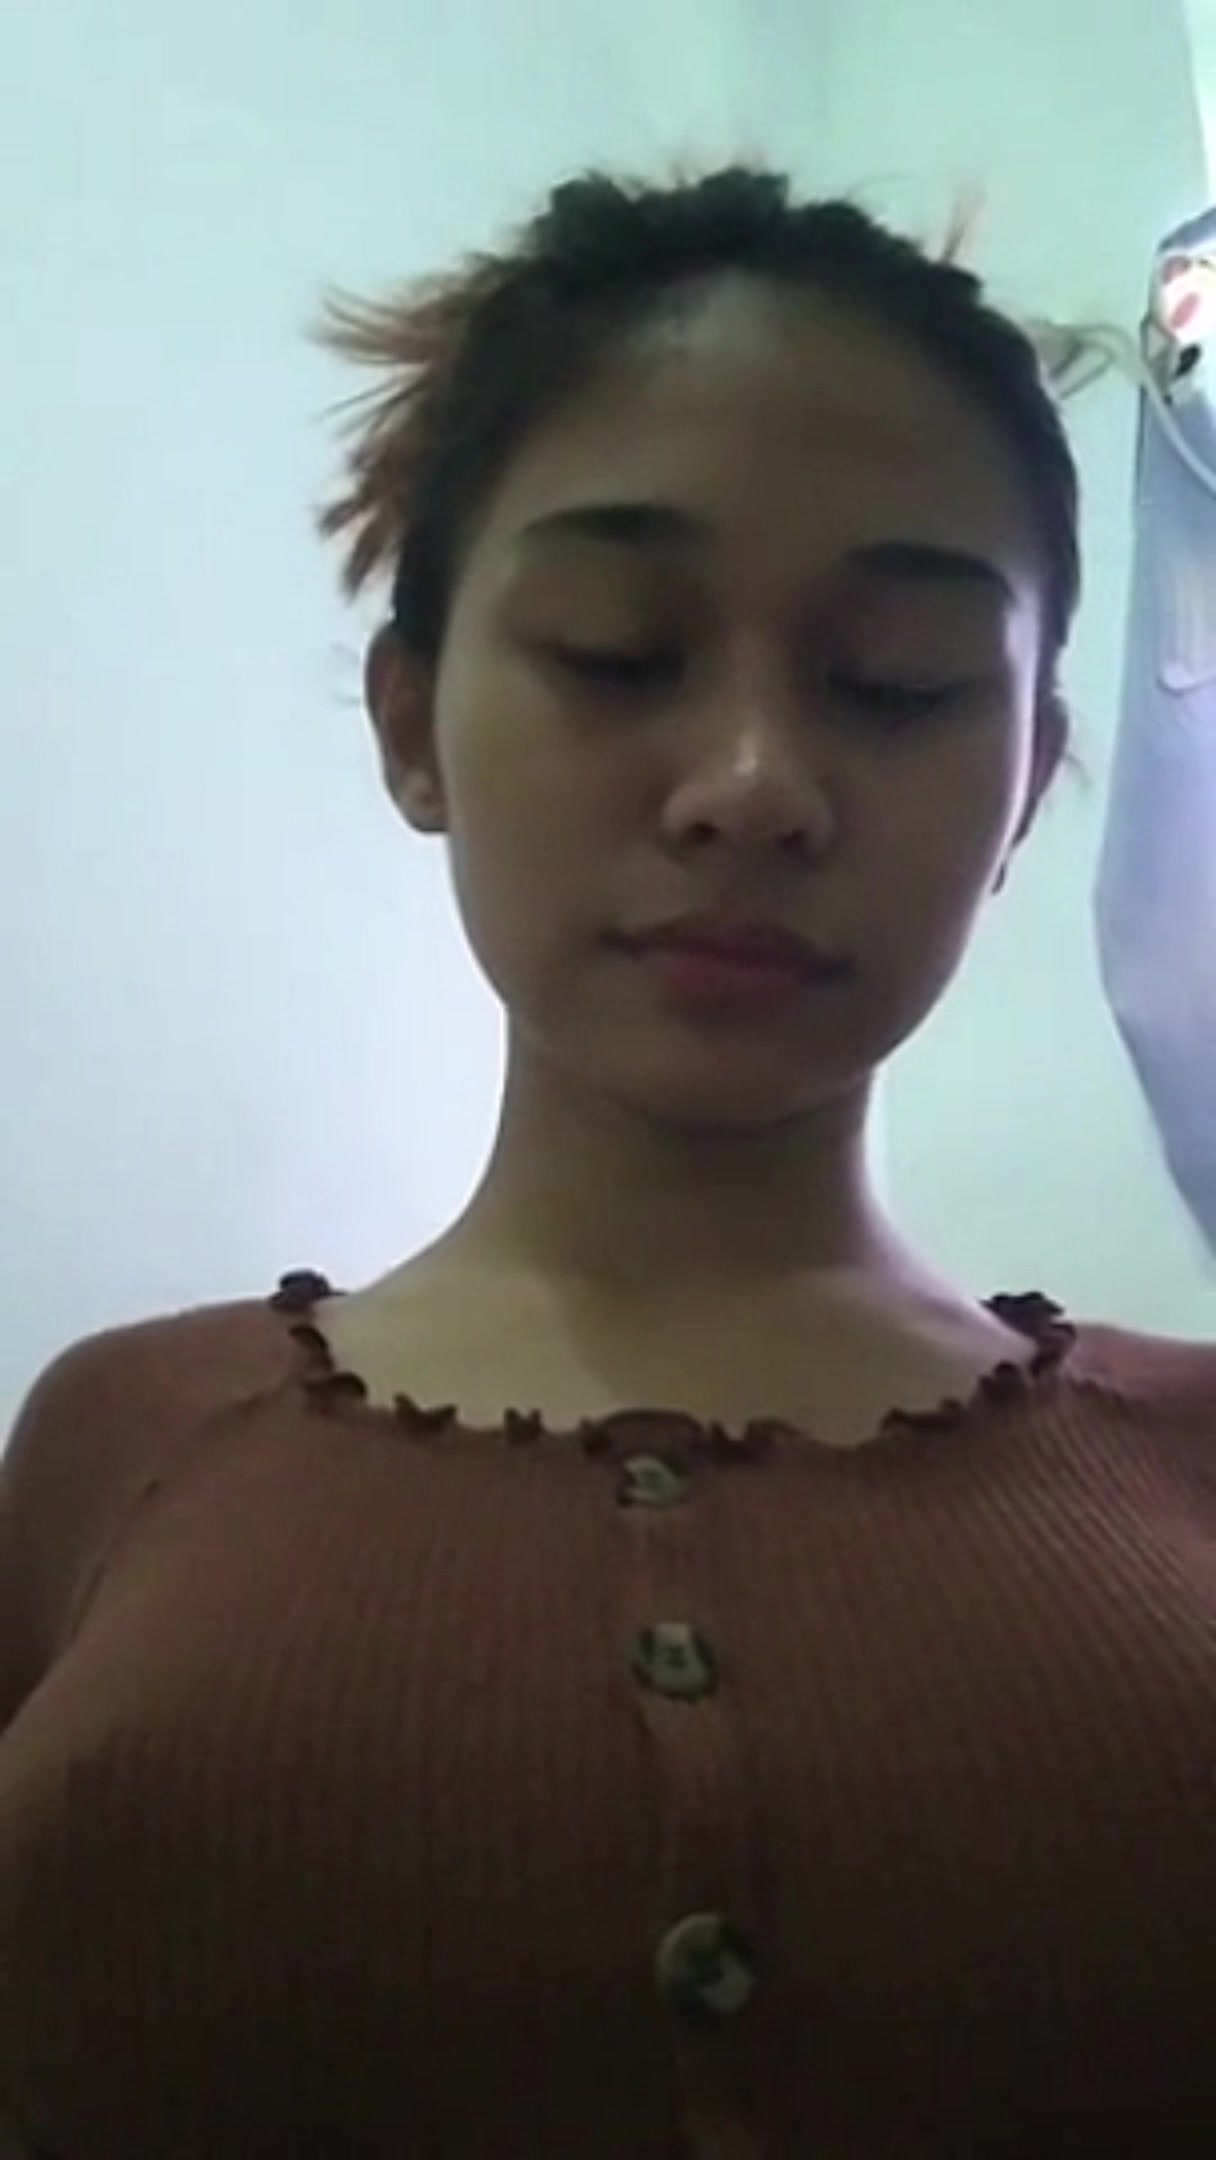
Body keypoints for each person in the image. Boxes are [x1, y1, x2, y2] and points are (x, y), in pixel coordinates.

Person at [1, 161, 1213, 2159]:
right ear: (411, 721)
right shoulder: (117, 1445)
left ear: (1024, 792)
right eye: (616, 647)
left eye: (899, 682)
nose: (752, 786)